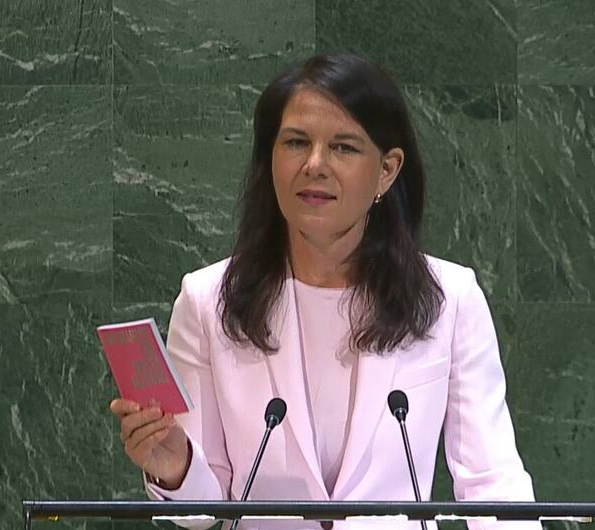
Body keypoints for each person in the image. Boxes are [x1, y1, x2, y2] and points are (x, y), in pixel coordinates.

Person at [109, 53, 538, 529]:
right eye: (295, 142)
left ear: (387, 170)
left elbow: (493, 485)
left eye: (344, 148)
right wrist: (176, 467)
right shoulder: (208, 300)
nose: (315, 165)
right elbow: (204, 512)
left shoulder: (449, 299)